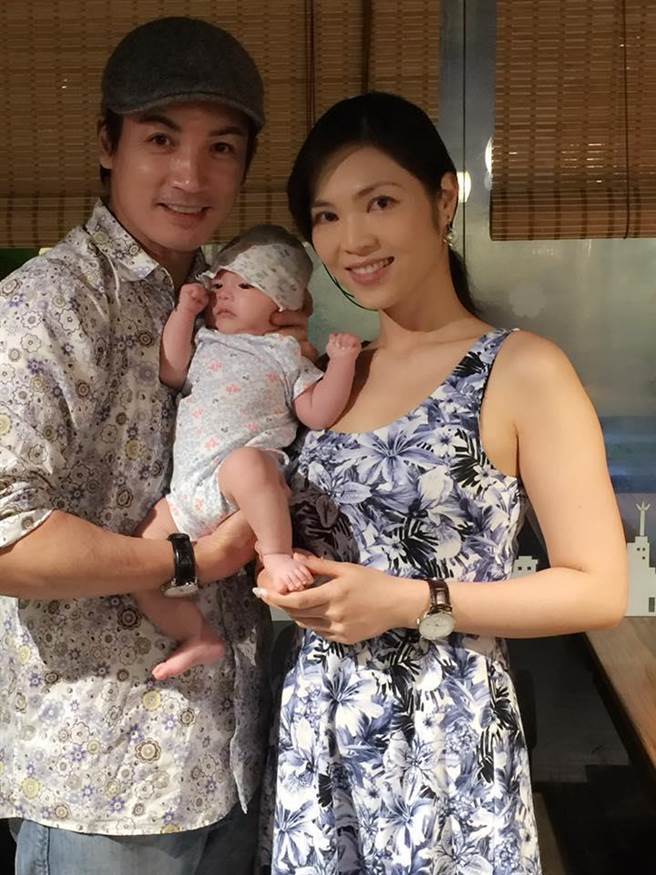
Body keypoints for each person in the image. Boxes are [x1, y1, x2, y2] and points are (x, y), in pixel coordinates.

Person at [254, 92, 628, 873]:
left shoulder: (521, 369)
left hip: (444, 742)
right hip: (318, 733)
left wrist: (411, 601)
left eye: (380, 202)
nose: (353, 239)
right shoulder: (328, 376)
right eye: (326, 216)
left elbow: (597, 588)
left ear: (444, 199)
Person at [0, 16, 309, 875]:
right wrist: (190, 559)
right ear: (108, 143)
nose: (190, 175)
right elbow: (7, 536)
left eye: (221, 148)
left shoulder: (227, 303)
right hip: (103, 783)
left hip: (230, 757)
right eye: (162, 139)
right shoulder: (49, 302)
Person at [136, 224, 360, 680]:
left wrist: (341, 364)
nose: (224, 295)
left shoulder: (285, 353)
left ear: (282, 305)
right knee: (139, 562)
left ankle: (275, 554)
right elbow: (171, 369)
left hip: (248, 478)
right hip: (189, 491)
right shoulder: (205, 339)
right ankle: (196, 634)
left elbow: (317, 412)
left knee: (247, 465)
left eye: (244, 286)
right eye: (219, 285)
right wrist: (184, 312)